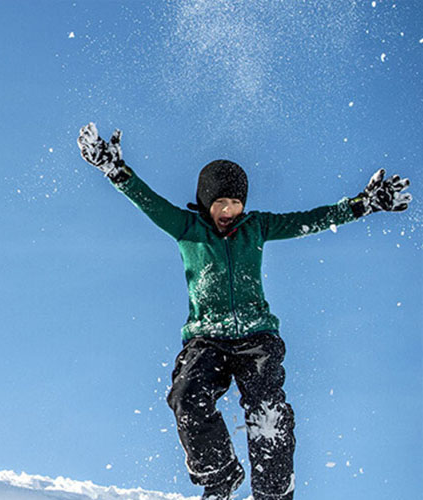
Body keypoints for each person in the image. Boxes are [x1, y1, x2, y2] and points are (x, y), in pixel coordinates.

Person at [76, 123, 410, 500]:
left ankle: (272, 494)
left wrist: (362, 204)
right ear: (206, 202)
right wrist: (115, 171)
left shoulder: (257, 227)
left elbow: (311, 219)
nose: (229, 211)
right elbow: (148, 200)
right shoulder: (187, 228)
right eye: (221, 203)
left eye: (235, 204)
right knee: (186, 395)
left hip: (257, 338)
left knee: (268, 412)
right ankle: (220, 475)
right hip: (207, 338)